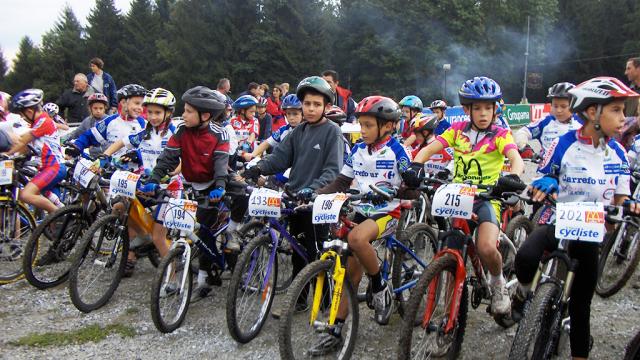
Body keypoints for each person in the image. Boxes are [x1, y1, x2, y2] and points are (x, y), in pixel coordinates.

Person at [515, 76, 640, 360]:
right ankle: (524, 297)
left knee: (581, 308)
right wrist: (546, 182)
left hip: (591, 232)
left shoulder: (619, 152)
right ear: (593, 112)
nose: (624, 117)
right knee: (525, 257)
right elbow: (545, 175)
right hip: (560, 221)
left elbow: (622, 198)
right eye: (617, 110)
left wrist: (630, 206)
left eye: (623, 110)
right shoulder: (562, 143)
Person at [404, 76, 525, 315]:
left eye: (488, 108)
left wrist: (514, 177)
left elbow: (516, 159)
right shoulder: (456, 130)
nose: (483, 113)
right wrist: (416, 165)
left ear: (495, 109)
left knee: (487, 247)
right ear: (467, 109)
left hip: (488, 198)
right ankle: (450, 308)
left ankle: (498, 282)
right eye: (477, 108)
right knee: (450, 247)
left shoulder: (500, 133)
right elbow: (429, 149)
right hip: (459, 196)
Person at [313, 96, 410, 354]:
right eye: (361, 125)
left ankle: (379, 287)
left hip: (388, 211)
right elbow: (341, 183)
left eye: (368, 125)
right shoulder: (357, 150)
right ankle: (336, 329)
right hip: (361, 208)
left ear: (387, 126)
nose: (362, 130)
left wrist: (404, 188)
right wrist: (316, 193)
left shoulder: (398, 151)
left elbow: (412, 186)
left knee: (356, 239)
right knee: (348, 270)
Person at [242, 76, 344, 309]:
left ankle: (326, 301)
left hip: (319, 202)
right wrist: (257, 167)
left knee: (318, 252)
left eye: (316, 104)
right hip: (296, 198)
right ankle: (299, 301)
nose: (310, 109)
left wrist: (314, 189)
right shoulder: (297, 133)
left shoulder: (333, 132)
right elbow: (279, 159)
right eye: (307, 104)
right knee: (298, 252)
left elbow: (333, 171)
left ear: (326, 107)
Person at [140, 86, 230, 299]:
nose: (184, 115)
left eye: (189, 111)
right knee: (186, 229)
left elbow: (220, 163)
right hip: (190, 185)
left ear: (205, 115)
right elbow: (168, 157)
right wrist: (154, 178)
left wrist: (219, 186)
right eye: (185, 110)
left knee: (205, 233)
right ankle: (177, 272)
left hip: (213, 186)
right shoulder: (181, 130)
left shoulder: (219, 134)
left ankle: (203, 279)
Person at [103, 88, 178, 261]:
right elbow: (121, 142)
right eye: (149, 112)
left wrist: (172, 172)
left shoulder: (175, 135)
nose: (152, 116)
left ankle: (173, 277)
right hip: (146, 184)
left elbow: (183, 160)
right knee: (119, 207)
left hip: (168, 188)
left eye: (158, 112)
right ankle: (143, 234)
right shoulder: (145, 133)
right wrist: (104, 156)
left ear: (168, 113)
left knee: (159, 238)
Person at [6, 89, 66, 213]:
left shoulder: (43, 121)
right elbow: (25, 147)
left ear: (29, 111)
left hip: (53, 167)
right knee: (40, 196)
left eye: (22, 114)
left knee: (26, 195)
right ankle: (56, 220)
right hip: (48, 167)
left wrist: (6, 154)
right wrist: (12, 156)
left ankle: (60, 215)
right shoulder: (39, 122)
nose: (22, 118)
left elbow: (22, 141)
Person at [69, 84, 147, 158]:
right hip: (112, 168)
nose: (140, 108)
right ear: (123, 102)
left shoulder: (144, 124)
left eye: (142, 105)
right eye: (137, 103)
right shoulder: (110, 121)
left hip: (137, 170)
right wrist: (77, 146)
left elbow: (149, 148)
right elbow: (89, 137)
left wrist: (138, 156)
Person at [514, 82, 581, 157]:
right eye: (555, 106)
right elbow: (522, 132)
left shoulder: (582, 123)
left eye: (563, 106)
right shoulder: (545, 121)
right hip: (547, 167)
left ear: (574, 106)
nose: (558, 110)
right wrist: (524, 147)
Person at [243, 93, 303, 162]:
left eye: (295, 114)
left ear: (303, 114)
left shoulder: (309, 130)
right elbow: (267, 142)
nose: (291, 117)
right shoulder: (283, 130)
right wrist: (253, 154)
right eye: (288, 114)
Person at [63, 93, 110, 158]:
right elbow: (77, 132)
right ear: (90, 108)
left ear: (105, 108)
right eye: (95, 108)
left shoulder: (109, 121)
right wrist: (64, 138)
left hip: (108, 155)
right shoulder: (87, 121)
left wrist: (97, 149)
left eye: (101, 108)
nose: (98, 111)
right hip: (93, 157)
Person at [230, 95, 259, 159]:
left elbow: (253, 134)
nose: (254, 114)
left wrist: (246, 145)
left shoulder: (254, 120)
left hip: (248, 153)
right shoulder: (232, 120)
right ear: (243, 111)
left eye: (254, 111)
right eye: (251, 111)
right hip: (234, 152)